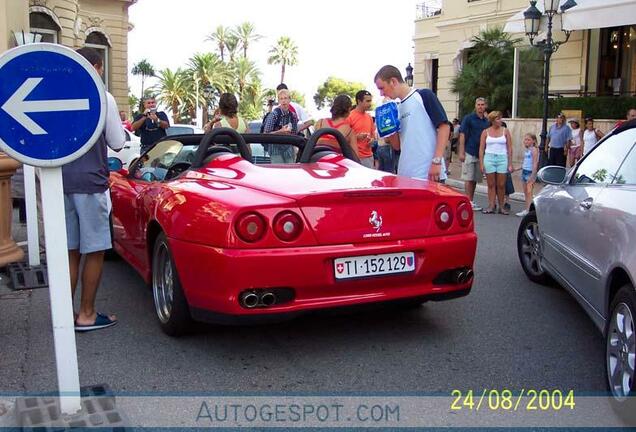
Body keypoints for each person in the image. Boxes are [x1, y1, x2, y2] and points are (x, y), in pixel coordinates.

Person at [63, 47, 125, 332]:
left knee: (70, 251)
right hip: (90, 181)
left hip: (60, 182)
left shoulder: (58, 94)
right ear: (98, 67)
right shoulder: (102, 96)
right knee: (95, 250)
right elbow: (117, 142)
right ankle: (87, 313)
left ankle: (64, 316)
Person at [374, 65, 450, 182]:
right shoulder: (397, 108)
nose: (381, 93)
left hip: (428, 174)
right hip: (405, 174)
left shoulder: (424, 95)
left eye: (382, 88)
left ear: (393, 81)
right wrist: (388, 128)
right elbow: (397, 146)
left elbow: (444, 127)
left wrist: (437, 160)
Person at [479, 111, 513, 215]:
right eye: (498, 119)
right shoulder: (486, 132)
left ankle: (501, 206)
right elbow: (481, 149)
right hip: (489, 158)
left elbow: (510, 148)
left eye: (500, 118)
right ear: (492, 120)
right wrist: (481, 163)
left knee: (501, 184)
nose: (500, 121)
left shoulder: (505, 131)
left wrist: (510, 163)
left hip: (502, 158)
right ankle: (491, 205)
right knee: (491, 184)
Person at [459, 98, 489, 211]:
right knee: (468, 177)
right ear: (475, 106)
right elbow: (462, 135)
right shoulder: (469, 118)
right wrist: (461, 152)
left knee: (475, 178)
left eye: (482, 105)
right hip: (469, 151)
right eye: (478, 104)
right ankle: (468, 200)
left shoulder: (486, 121)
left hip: (480, 154)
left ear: (485, 106)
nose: (480, 107)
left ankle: (471, 200)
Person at [263, 88, 299, 163]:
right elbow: (265, 134)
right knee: (278, 173)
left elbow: (294, 134)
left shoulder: (293, 116)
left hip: (289, 150)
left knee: (290, 173)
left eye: (285, 98)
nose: (283, 101)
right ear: (279, 101)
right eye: (281, 99)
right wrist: (280, 132)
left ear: (289, 100)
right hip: (275, 150)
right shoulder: (274, 115)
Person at [348, 90, 375, 168]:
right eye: (367, 101)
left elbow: (372, 135)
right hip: (355, 157)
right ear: (359, 101)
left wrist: (372, 140)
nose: (370, 104)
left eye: (370, 101)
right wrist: (356, 137)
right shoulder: (350, 116)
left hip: (369, 156)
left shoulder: (369, 117)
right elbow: (344, 138)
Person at [516, 133, 539, 217]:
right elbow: (525, 163)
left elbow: (535, 163)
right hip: (524, 171)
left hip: (530, 172)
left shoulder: (534, 150)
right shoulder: (527, 150)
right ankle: (527, 208)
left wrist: (533, 175)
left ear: (533, 141)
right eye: (525, 139)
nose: (526, 141)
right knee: (526, 192)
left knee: (529, 192)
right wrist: (516, 168)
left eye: (528, 139)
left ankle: (529, 210)